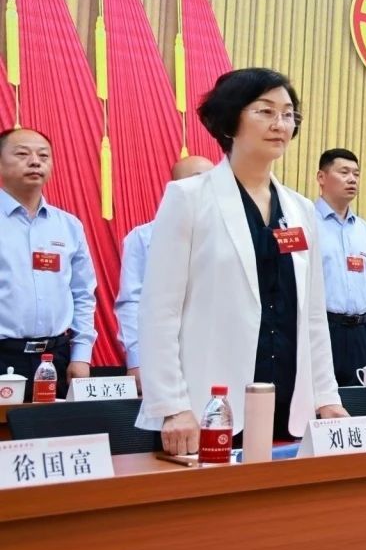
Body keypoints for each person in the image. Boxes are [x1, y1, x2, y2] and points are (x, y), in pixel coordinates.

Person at [138, 69, 347, 454]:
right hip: (207, 407)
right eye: (265, 111)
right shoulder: (189, 198)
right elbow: (159, 311)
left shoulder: (301, 210)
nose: (279, 124)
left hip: (288, 404)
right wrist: (172, 406)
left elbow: (314, 316)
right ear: (230, 119)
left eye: (288, 114)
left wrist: (326, 398)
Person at [0, 128, 97, 400]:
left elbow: (83, 294)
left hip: (55, 358)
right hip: (4, 355)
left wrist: (81, 355)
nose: (35, 161)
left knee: (54, 427)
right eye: (22, 154)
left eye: (43, 156)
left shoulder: (68, 226)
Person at [116, 155, 215, 386]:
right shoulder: (143, 238)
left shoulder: (232, 236)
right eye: (200, 180)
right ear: (175, 188)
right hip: (163, 354)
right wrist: (137, 360)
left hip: (216, 352)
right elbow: (131, 303)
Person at [314, 148, 366, 387]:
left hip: (360, 335)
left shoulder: (365, 231)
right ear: (321, 177)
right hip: (322, 330)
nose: (352, 179)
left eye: (356, 174)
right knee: (318, 403)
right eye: (344, 172)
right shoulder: (306, 223)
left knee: (357, 404)